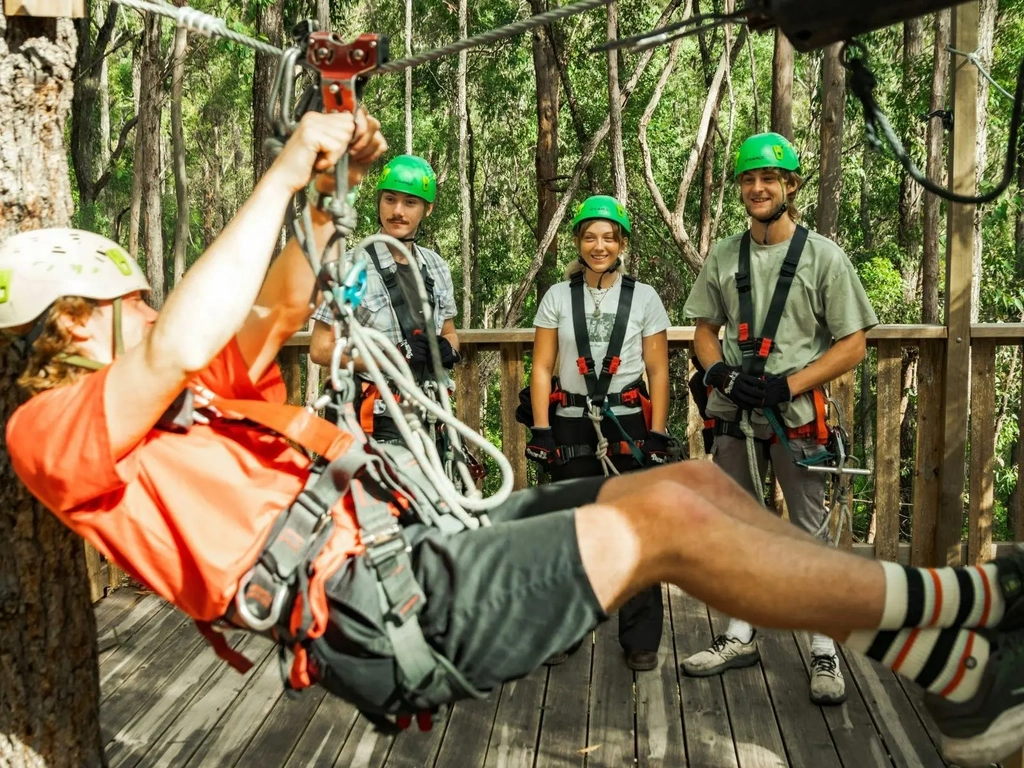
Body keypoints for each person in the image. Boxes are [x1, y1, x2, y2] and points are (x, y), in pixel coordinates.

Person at [4, 112, 1024, 768]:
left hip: (410, 554)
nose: (146, 306)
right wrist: (274, 172)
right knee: (664, 520)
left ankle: (957, 646)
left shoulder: (197, 403)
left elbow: (272, 309)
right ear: (75, 324)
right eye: (124, 296)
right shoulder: (54, 436)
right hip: (368, 612)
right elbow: (183, 336)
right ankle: (966, 628)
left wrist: (324, 198)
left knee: (686, 483)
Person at [680, 132, 879, 707]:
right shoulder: (723, 254)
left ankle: (822, 644)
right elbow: (702, 329)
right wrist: (718, 374)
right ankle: (741, 633)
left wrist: (789, 382)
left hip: (795, 412)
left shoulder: (824, 257)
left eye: (770, 178)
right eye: (749, 179)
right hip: (734, 411)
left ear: (792, 186)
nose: (758, 188)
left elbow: (853, 343)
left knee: (807, 525)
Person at [523, 195, 674, 672]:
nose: (599, 245)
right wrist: (543, 430)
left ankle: (640, 635)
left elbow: (658, 369)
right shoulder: (556, 296)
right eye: (590, 236)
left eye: (609, 236)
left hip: (626, 420)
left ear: (622, 243)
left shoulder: (644, 297)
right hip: (569, 421)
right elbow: (543, 365)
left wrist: (657, 433)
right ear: (577, 241)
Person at [308, 154, 460, 446]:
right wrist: (392, 356)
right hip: (371, 419)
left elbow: (450, 333)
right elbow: (321, 349)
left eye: (410, 202)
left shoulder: (436, 267)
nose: (397, 211)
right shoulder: (350, 268)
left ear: (427, 209)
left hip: (428, 415)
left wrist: (447, 349)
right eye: (390, 199)